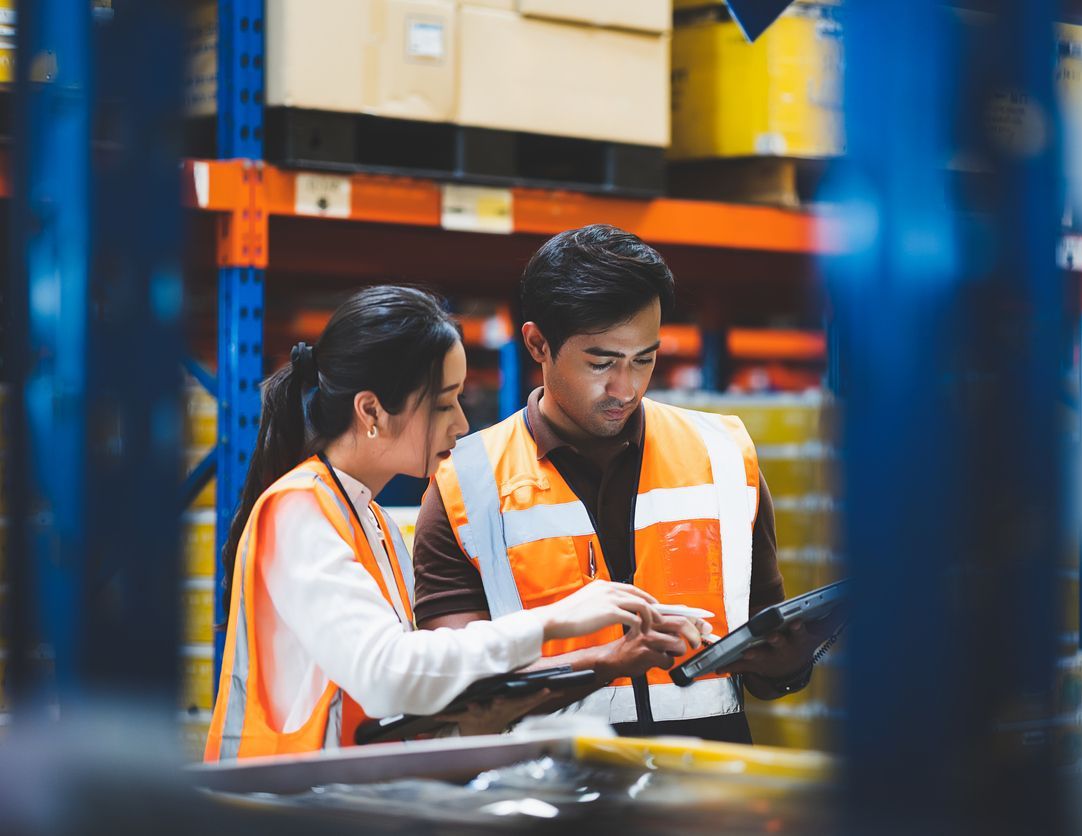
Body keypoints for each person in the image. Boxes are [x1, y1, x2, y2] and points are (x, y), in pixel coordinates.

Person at [204, 285, 701, 761]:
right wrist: (552, 619)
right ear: (371, 411)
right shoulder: (297, 509)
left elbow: (381, 714)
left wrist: (482, 720)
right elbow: (385, 673)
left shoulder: (369, 519)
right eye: (443, 403)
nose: (461, 424)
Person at [412, 226, 820, 744]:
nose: (624, 388)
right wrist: (607, 662)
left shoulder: (724, 456)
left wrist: (788, 660)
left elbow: (764, 656)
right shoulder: (465, 486)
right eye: (601, 362)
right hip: (548, 799)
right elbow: (453, 688)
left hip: (703, 796)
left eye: (644, 359)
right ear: (538, 343)